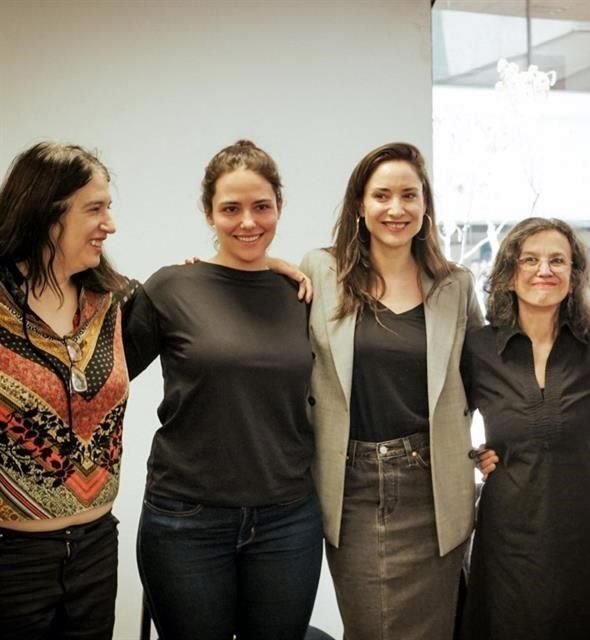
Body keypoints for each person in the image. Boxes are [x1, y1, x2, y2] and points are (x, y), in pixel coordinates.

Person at [122, 140, 323, 639]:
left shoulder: (301, 294)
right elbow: (104, 380)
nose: (248, 222)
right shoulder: (172, 287)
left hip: (287, 520)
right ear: (209, 213)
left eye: (261, 207)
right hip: (186, 521)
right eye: (231, 209)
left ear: (279, 206)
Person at [300, 141, 483, 639]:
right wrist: (216, 271)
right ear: (360, 206)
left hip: (435, 485)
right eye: (382, 195)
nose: (396, 208)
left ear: (425, 206)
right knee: (370, 627)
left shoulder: (455, 285)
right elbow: (276, 343)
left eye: (409, 195)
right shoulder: (321, 271)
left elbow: (487, 376)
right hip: (353, 485)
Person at [459, 217, 590, 639]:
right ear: (509, 274)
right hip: (509, 532)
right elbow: (443, 421)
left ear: (573, 275)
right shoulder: (478, 348)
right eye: (529, 260)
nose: (544, 270)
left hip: (587, 528)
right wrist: (472, 456)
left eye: (557, 260)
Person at [0, 142, 126, 639]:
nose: (109, 224)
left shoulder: (114, 303)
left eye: (108, 207)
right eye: (94, 209)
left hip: (96, 550)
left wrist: (269, 267)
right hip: (12, 561)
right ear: (46, 214)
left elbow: (207, 290)